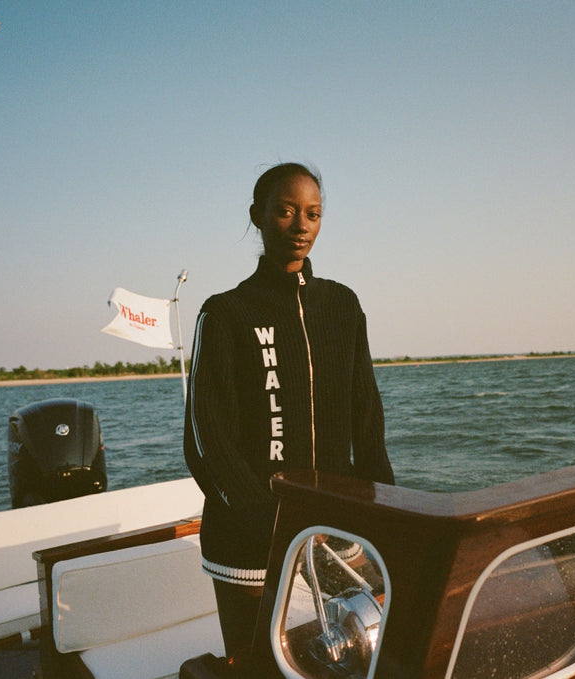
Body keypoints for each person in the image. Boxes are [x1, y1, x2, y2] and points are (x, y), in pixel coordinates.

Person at [183, 162, 394, 657]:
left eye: (313, 214)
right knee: (254, 661)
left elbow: (367, 416)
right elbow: (205, 437)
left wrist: (384, 507)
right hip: (249, 532)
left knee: (352, 655)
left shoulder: (343, 305)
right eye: (285, 211)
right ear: (257, 215)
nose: (301, 225)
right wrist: (266, 520)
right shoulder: (225, 312)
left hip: (335, 526)